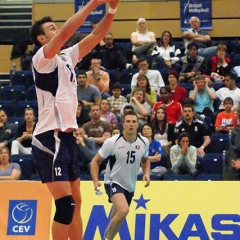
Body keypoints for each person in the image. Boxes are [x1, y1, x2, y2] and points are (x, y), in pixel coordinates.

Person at [30, 0, 119, 239]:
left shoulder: (68, 56)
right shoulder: (42, 58)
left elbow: (98, 33)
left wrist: (112, 8)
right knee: (65, 204)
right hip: (49, 137)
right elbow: (69, 30)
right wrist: (93, 3)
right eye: (50, 28)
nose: (56, 30)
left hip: (67, 138)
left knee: (77, 202)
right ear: (41, 39)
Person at [90, 112, 150, 240]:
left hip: (130, 185)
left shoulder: (144, 142)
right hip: (113, 181)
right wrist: (95, 181)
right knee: (123, 210)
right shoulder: (112, 142)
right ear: (123, 124)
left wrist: (146, 173)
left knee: (118, 218)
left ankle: (107, 238)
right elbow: (95, 161)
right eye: (128, 121)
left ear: (138, 124)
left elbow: (145, 160)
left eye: (134, 122)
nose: (131, 124)